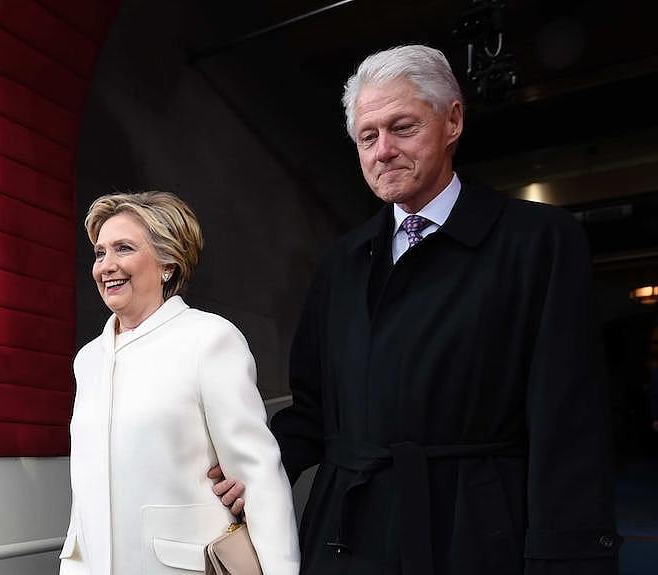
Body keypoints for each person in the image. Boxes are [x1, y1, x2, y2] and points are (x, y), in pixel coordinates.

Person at [214, 45, 619, 574]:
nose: (383, 150)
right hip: (348, 536)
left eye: (402, 127)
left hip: (476, 535)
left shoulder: (539, 243)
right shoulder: (342, 262)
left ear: (452, 121)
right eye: (367, 136)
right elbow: (312, 412)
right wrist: (251, 469)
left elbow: (569, 425)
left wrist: (565, 558)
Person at [60, 191, 299, 575]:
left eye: (124, 248)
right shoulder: (88, 360)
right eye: (100, 253)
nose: (107, 265)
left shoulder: (210, 340)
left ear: (168, 262)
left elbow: (259, 478)